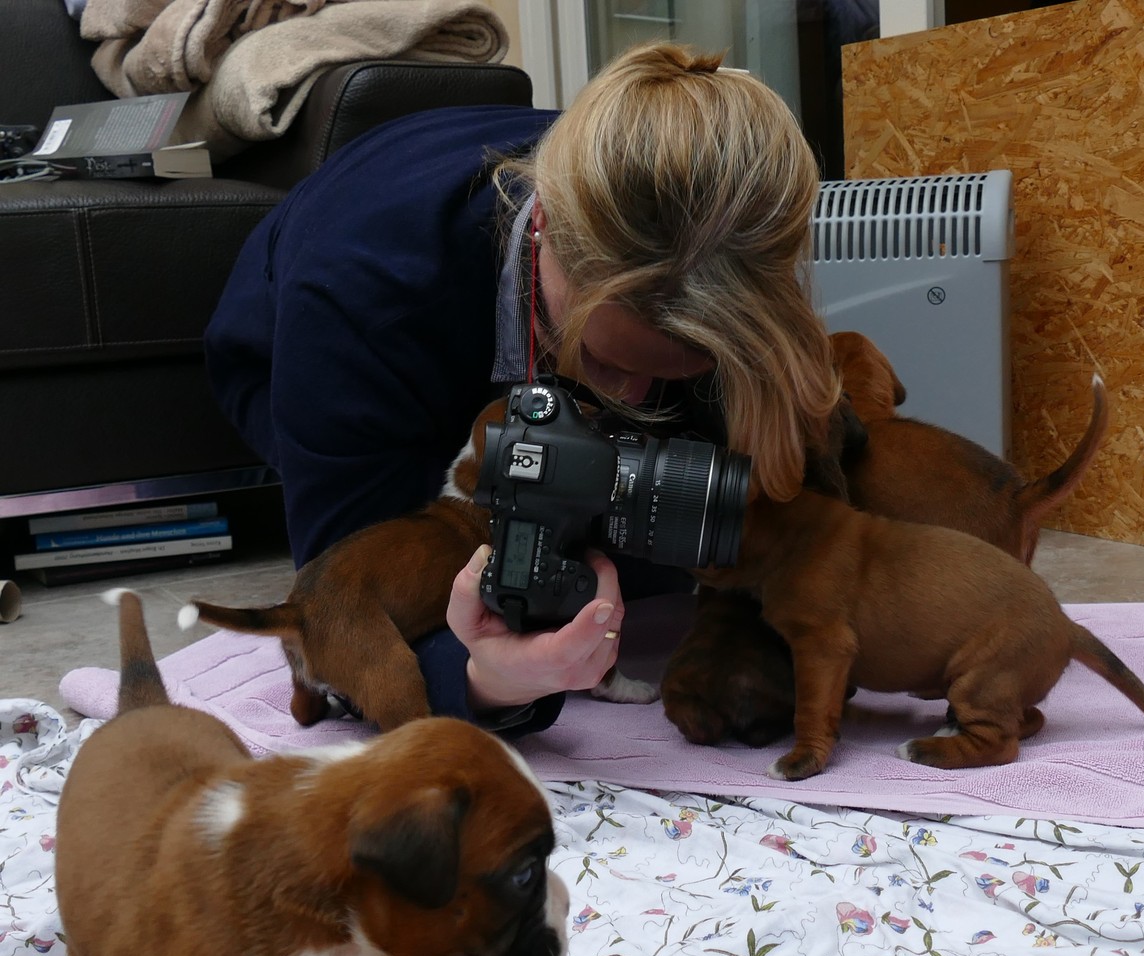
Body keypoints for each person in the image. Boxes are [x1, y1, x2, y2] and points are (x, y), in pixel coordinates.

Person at [204, 41, 841, 734]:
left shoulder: (694, 218)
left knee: (630, 541)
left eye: (672, 375)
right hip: (319, 336)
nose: (629, 397)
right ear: (543, 232)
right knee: (455, 568)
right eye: (605, 364)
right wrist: (492, 680)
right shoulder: (359, 298)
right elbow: (344, 623)